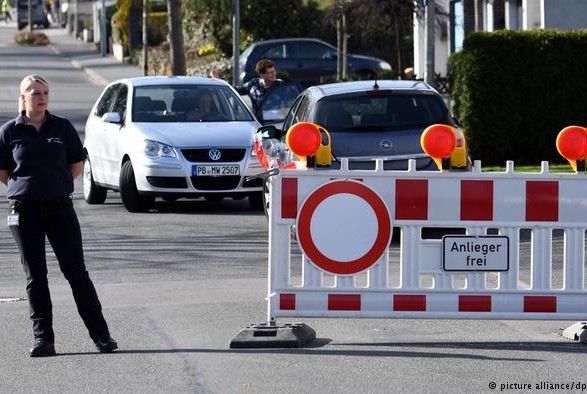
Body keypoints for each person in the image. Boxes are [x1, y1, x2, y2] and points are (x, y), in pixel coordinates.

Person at [0, 74, 117, 357]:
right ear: (23, 98)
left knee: (76, 273)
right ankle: (44, 340)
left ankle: (102, 336)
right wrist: (27, 188)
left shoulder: (62, 128)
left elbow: (76, 164)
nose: (41, 97)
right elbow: (4, 172)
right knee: (35, 276)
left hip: (59, 208)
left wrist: (56, 185)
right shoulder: (9, 132)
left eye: (45, 92)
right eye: (35, 93)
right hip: (23, 211)